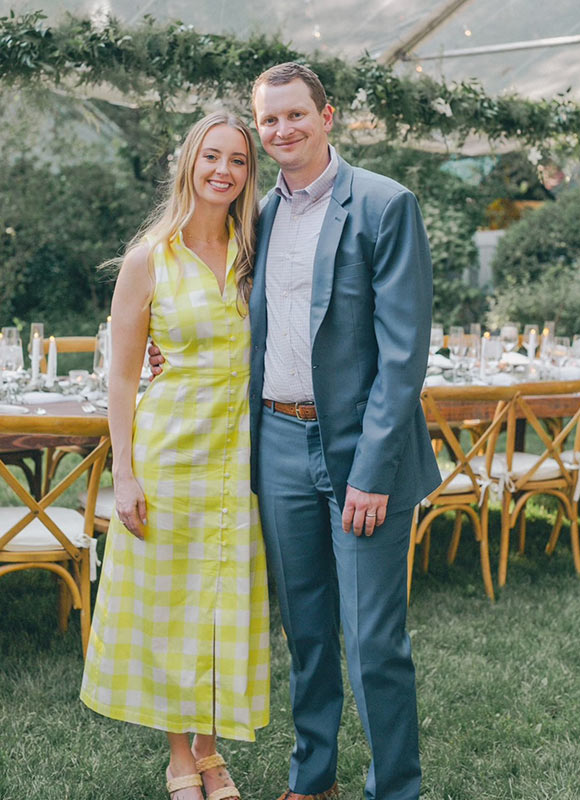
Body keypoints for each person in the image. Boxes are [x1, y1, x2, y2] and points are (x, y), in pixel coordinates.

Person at [151, 63, 440, 800]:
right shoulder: (257, 215)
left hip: (362, 454)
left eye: (294, 116)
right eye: (268, 120)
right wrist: (164, 347)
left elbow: (404, 356)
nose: (281, 131)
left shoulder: (384, 204)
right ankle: (313, 780)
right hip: (276, 444)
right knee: (306, 634)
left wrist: (372, 470)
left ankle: (393, 789)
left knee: (373, 640)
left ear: (327, 117)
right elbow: (220, 307)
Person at [80, 112, 270, 800]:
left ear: (250, 174)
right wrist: (124, 474)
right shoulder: (147, 258)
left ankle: (213, 750)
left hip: (240, 456)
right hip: (168, 453)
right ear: (188, 163)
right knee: (169, 603)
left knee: (224, 599)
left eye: (239, 161)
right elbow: (124, 375)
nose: (224, 171)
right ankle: (178, 757)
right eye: (211, 157)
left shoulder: (259, 251)